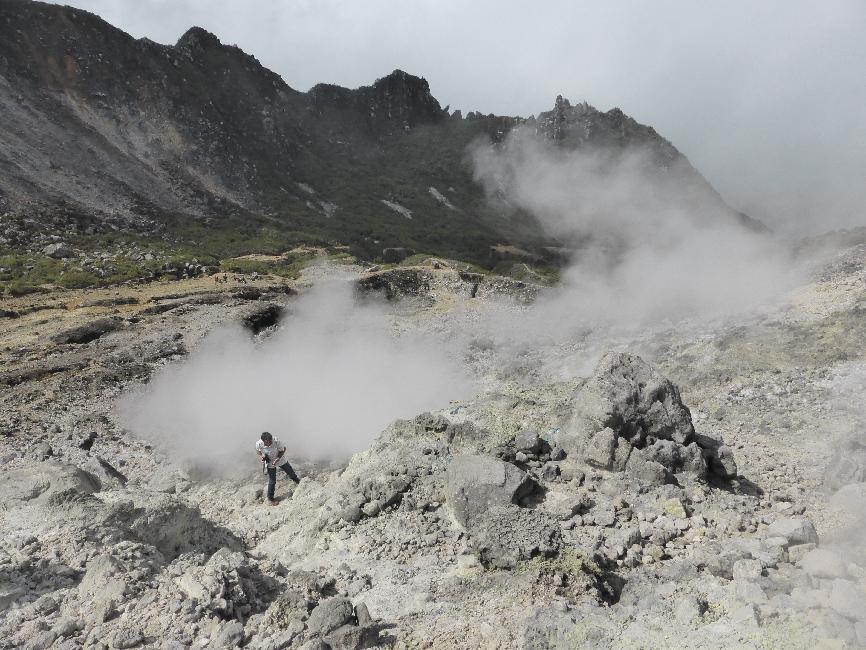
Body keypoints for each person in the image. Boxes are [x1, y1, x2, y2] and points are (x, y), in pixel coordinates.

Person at [255, 431, 300, 505]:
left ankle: (297, 481)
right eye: (268, 442)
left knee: (289, 471)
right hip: (270, 462)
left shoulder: (276, 441)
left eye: (271, 441)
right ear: (263, 441)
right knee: (272, 480)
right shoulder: (259, 444)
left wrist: (278, 458)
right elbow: (258, 451)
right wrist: (261, 457)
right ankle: (270, 499)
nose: (270, 443)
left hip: (280, 459)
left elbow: (283, 449)